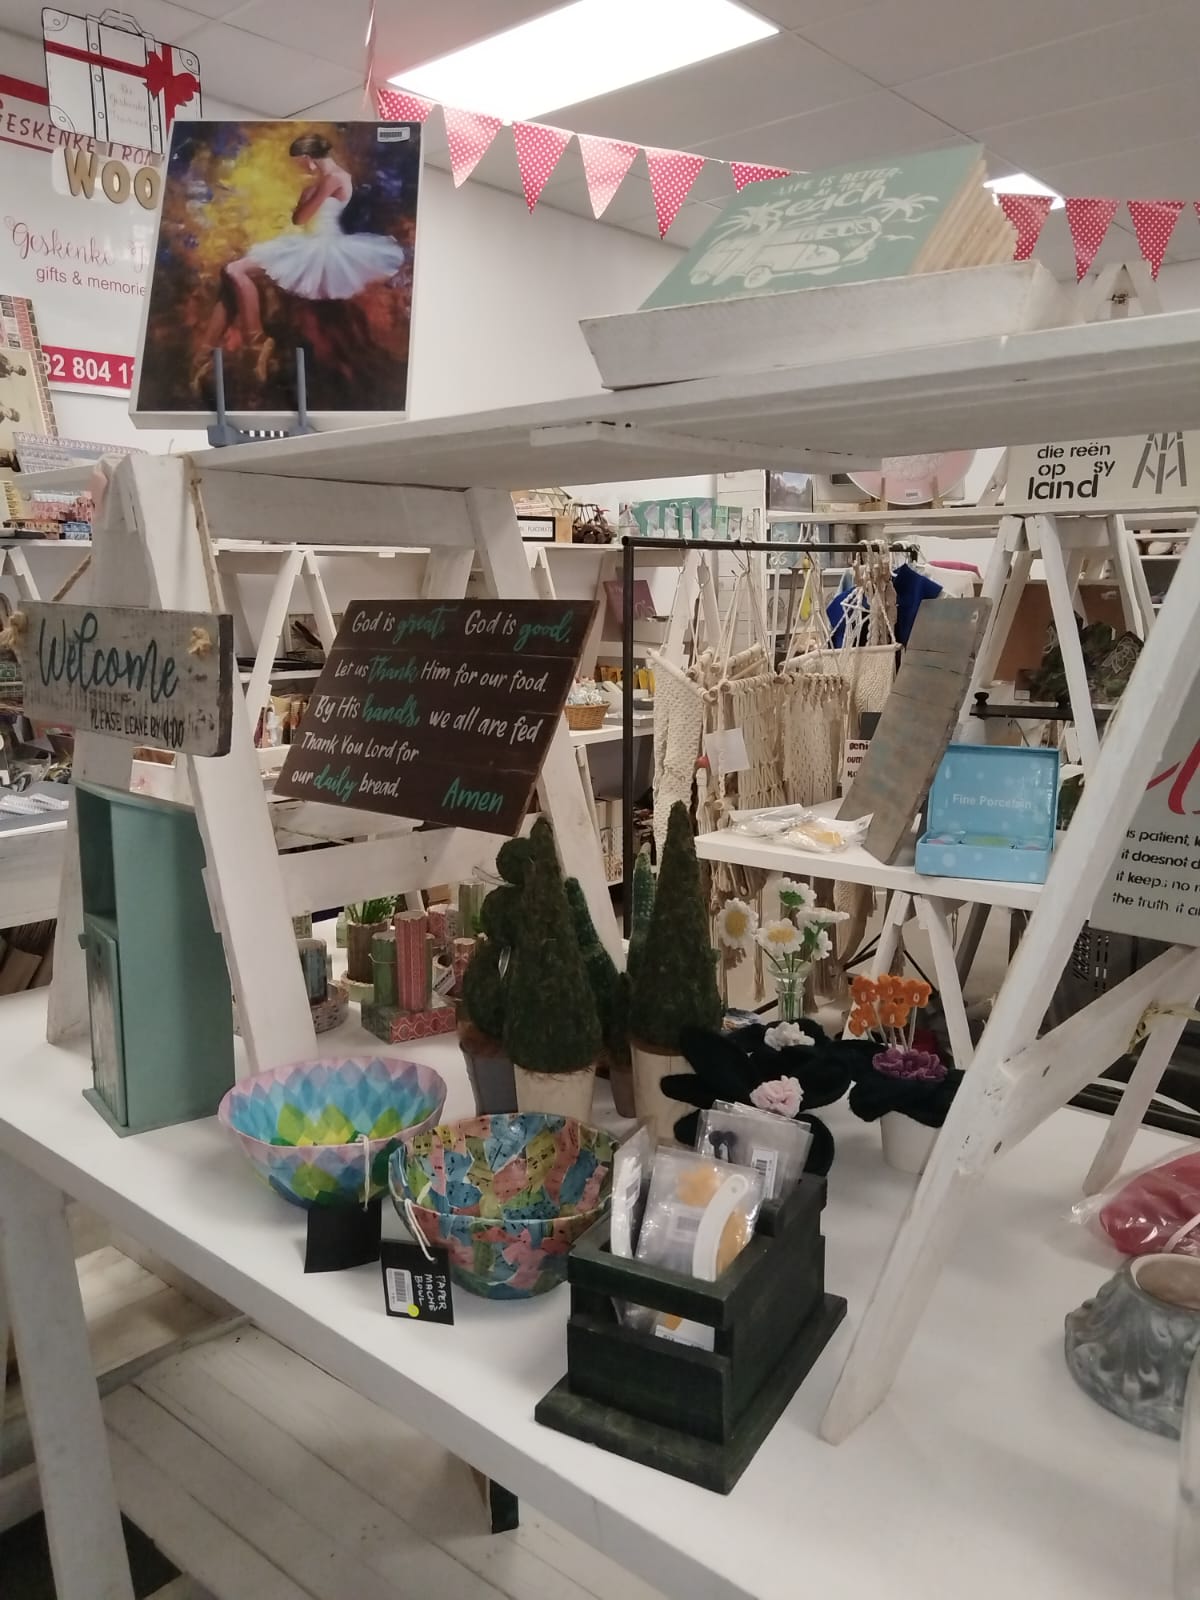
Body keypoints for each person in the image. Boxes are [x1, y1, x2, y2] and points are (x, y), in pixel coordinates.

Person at [200, 131, 405, 386]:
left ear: (308, 157)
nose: (301, 168)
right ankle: (208, 352)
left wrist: (308, 196)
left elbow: (300, 217)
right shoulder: (323, 181)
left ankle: (256, 341)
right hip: (308, 242)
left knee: (234, 271)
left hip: (321, 246)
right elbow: (300, 216)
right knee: (231, 274)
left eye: (300, 162)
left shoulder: (333, 178)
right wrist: (307, 195)